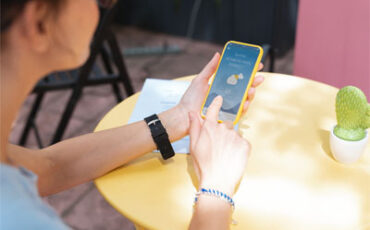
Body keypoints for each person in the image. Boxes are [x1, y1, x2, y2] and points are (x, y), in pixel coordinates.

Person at [0, 0, 264, 229]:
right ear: (39, 22)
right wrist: (217, 190)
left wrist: (178, 117)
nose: (99, 12)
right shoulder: (23, 220)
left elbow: (48, 168)